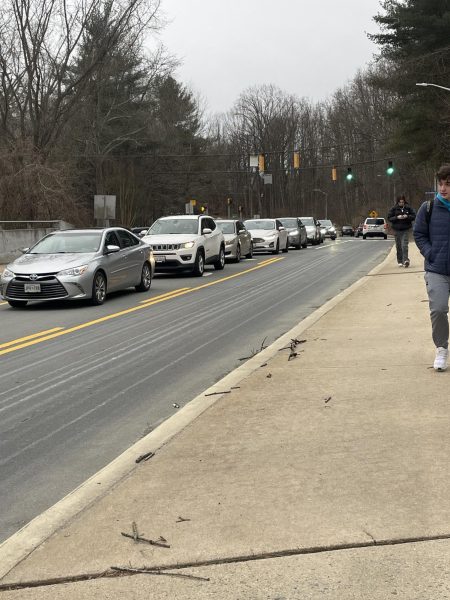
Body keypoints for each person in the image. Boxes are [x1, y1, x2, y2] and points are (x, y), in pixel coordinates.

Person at [414, 164, 450, 371]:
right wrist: (430, 253)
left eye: (448, 184)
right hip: (437, 269)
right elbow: (419, 234)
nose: (443, 188)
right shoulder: (428, 208)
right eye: (440, 184)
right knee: (438, 309)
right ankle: (441, 349)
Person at [388, 194, 416, 267]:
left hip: (405, 229)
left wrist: (407, 216)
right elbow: (389, 218)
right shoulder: (394, 209)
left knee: (404, 245)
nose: (401, 203)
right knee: (399, 246)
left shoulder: (408, 208)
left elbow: (413, 216)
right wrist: (397, 217)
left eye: (402, 202)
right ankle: (400, 260)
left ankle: (406, 260)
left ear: (404, 202)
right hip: (396, 230)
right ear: (398, 202)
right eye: (400, 202)